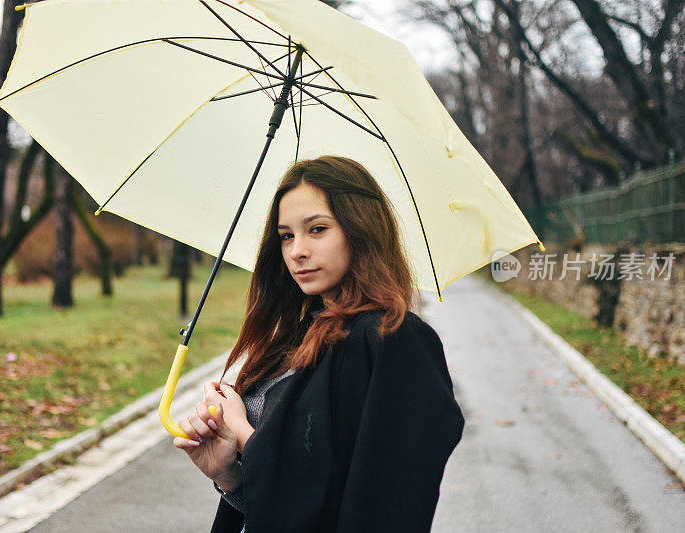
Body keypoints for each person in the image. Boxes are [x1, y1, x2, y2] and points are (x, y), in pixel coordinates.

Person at [172, 155, 465, 533]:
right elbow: (286, 507)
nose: (297, 251)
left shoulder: (395, 342)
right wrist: (229, 477)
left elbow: (380, 504)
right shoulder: (294, 338)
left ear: (361, 229)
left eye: (317, 229)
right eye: (286, 236)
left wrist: (245, 437)